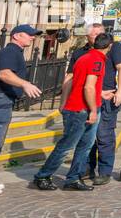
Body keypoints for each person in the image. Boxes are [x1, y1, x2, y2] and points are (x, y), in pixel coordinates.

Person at [32, 33, 113, 192]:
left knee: (85, 146)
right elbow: (88, 87)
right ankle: (43, 176)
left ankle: (73, 178)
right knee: (67, 146)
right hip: (81, 110)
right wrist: (94, 110)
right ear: (109, 46)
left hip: (78, 108)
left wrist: (99, 94)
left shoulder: (83, 57)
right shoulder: (97, 60)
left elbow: (72, 81)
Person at [64, 23, 121, 186]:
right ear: (87, 37)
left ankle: (105, 171)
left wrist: (120, 90)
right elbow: (70, 76)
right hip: (85, 98)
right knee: (86, 137)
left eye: (101, 35)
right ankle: (87, 168)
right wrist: (63, 100)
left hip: (106, 97)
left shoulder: (114, 47)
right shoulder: (80, 53)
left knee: (104, 135)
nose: (99, 38)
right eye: (95, 36)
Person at [0, 25, 43, 197]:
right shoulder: (10, 52)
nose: (32, 38)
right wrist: (25, 84)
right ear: (16, 36)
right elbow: (4, 74)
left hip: (1, 101)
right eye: (29, 35)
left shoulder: (14, 52)